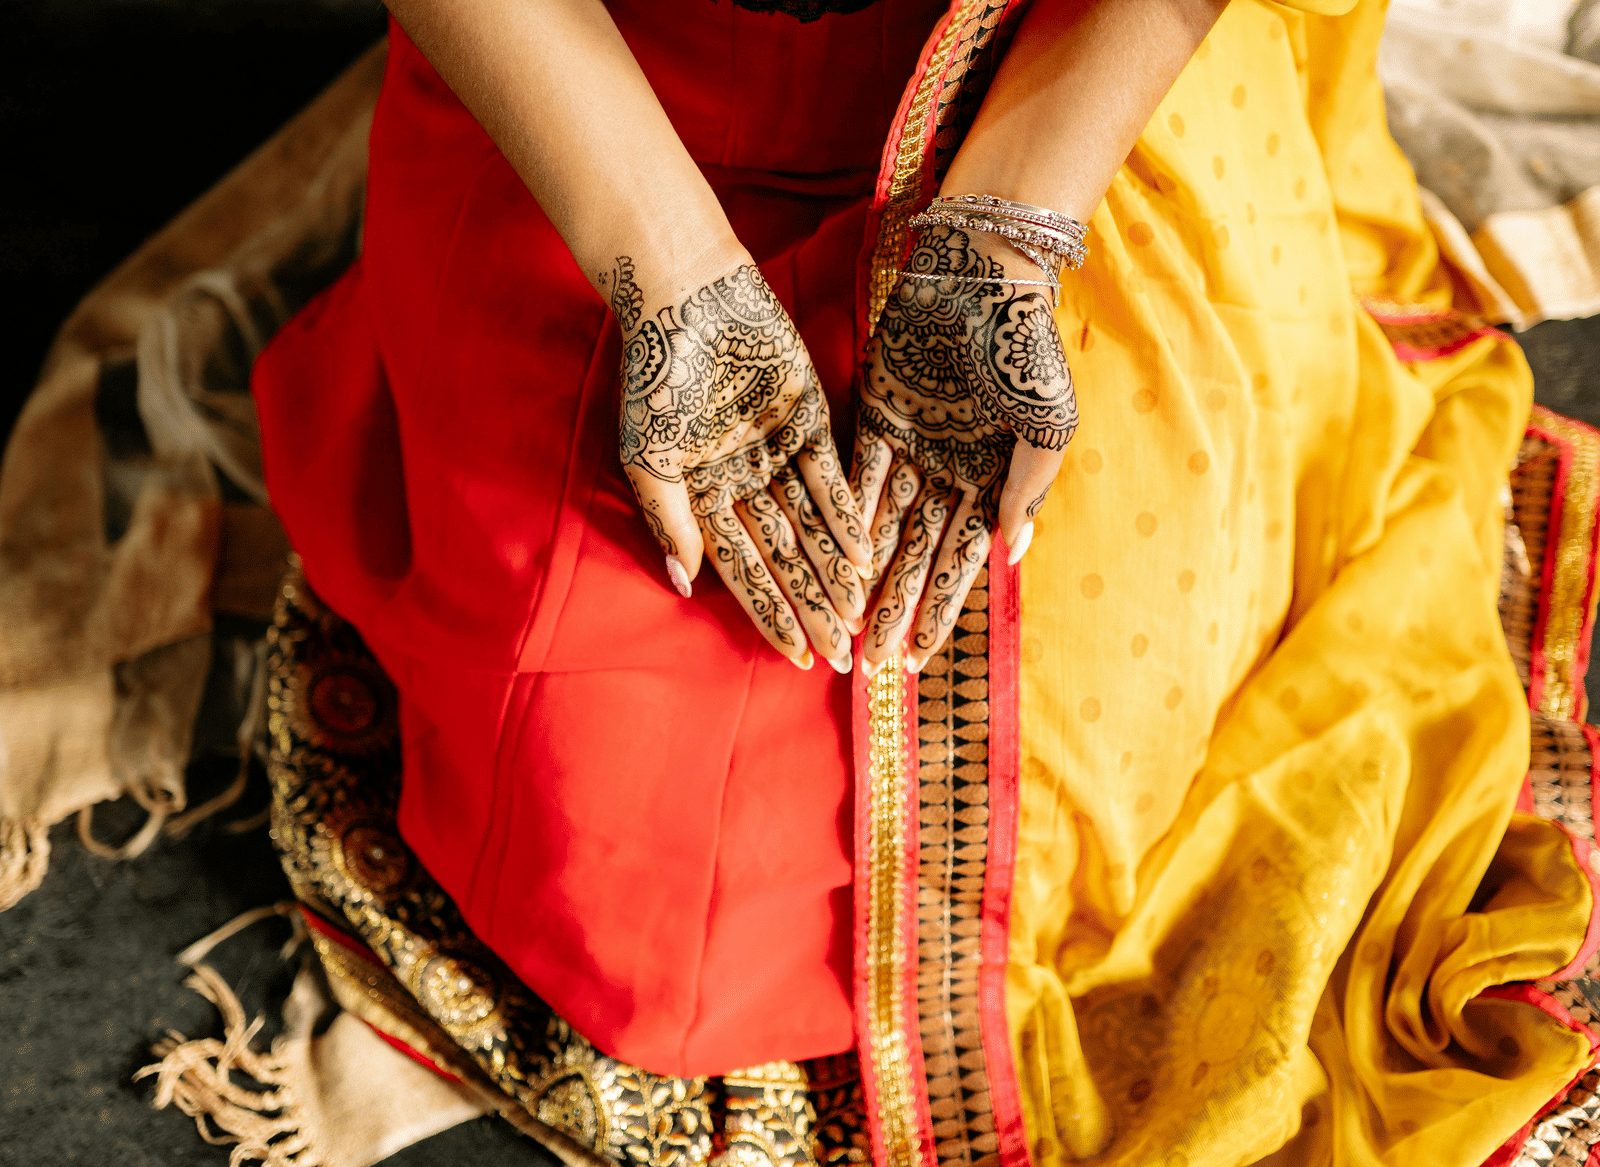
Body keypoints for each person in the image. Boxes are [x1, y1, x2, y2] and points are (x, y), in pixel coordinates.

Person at [251, 0, 1600, 1163]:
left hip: (1051, 86)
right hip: (617, 113)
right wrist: (665, 271)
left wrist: (1007, 238)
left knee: (1102, 738)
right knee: (650, 907)